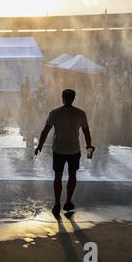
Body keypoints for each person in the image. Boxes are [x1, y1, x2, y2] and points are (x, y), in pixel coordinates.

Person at [35, 89, 94, 218]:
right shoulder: (80, 113)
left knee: (58, 176)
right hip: (74, 149)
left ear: (62, 98)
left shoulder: (55, 113)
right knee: (72, 175)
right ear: (74, 98)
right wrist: (89, 146)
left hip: (59, 149)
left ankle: (57, 204)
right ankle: (68, 201)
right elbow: (86, 132)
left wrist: (39, 145)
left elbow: (45, 131)